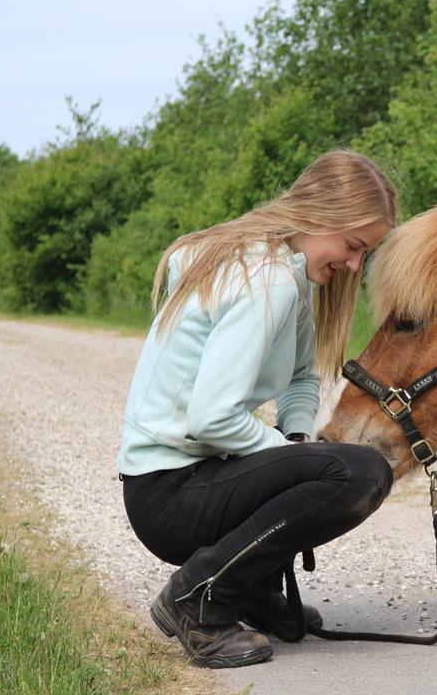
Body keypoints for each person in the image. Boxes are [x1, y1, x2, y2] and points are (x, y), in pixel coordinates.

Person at [117, 150, 396, 668]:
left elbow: (298, 379)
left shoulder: (286, 275)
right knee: (361, 473)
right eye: (353, 247)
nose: (355, 265)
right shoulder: (265, 281)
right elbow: (212, 418)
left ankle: (243, 591)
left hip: (182, 481)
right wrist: (294, 465)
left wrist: (294, 443)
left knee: (321, 460)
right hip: (169, 494)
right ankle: (199, 599)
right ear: (319, 215)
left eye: (365, 255)